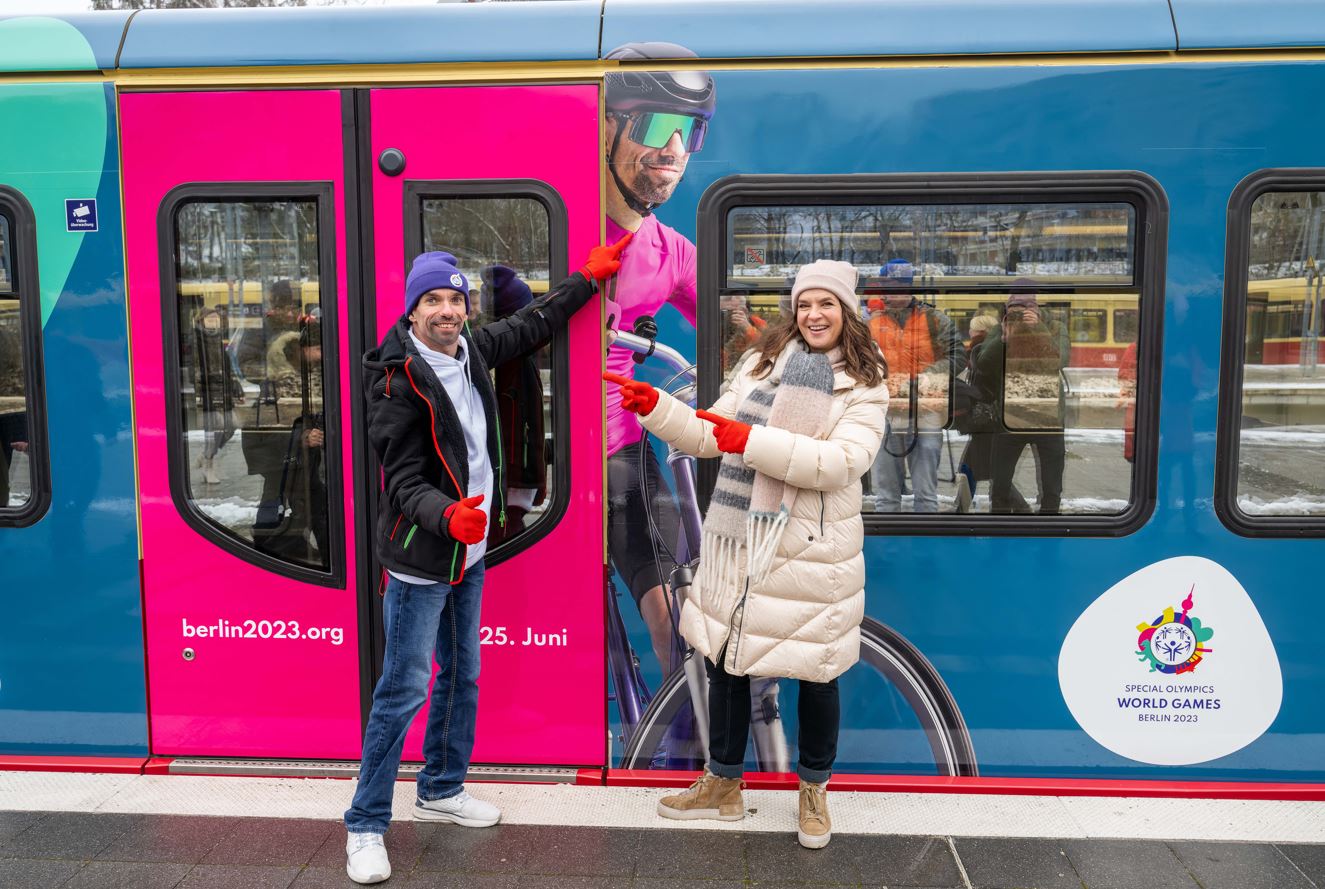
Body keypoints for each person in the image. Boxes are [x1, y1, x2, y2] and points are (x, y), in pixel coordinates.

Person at [344, 236, 629, 885]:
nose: (446, 309)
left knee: (462, 677)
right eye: (432, 300)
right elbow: (403, 479)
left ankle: (441, 787)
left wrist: (585, 279)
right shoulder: (395, 380)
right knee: (403, 687)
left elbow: (532, 324)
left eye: (454, 298)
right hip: (422, 561)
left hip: (467, 557)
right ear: (413, 310)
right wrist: (446, 515)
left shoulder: (469, 349)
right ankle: (364, 822)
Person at [606, 259, 888, 849]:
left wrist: (751, 441)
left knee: (816, 674)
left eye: (827, 305)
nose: (814, 315)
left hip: (810, 550)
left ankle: (812, 791)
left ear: (846, 313)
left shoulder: (864, 384)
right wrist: (656, 406)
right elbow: (712, 432)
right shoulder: (761, 364)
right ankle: (722, 785)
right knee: (726, 661)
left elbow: (841, 463)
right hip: (739, 541)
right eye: (805, 304)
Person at [602, 41, 715, 672]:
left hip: (616, 447)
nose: (674, 149)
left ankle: (677, 752)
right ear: (606, 125)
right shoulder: (547, 222)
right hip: (531, 454)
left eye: (689, 131)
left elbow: (742, 329)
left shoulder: (671, 253)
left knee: (677, 613)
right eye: (656, 125)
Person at [865, 259, 965, 513]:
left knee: (926, 494)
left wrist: (924, 379)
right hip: (885, 411)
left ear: (910, 288)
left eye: (898, 286)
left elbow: (958, 356)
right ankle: (889, 548)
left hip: (927, 410)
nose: (891, 292)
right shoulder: (870, 324)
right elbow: (858, 362)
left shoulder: (934, 320)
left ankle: (926, 545)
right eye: (887, 286)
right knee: (886, 495)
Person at [975, 284, 1071, 514]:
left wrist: (1037, 329)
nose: (1019, 313)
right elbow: (984, 365)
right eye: (1014, 308)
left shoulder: (1055, 327)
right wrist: (1005, 338)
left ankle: (1049, 525)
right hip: (1010, 416)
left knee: (1051, 486)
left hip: (1048, 418)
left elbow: (1059, 360)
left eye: (1025, 307)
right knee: (1000, 483)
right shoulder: (1003, 328)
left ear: (1036, 308)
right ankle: (1000, 526)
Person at [479, 264, 546, 544]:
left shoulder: (509, 359)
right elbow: (519, 431)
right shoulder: (512, 365)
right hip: (508, 486)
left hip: (510, 485)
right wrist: (530, 481)